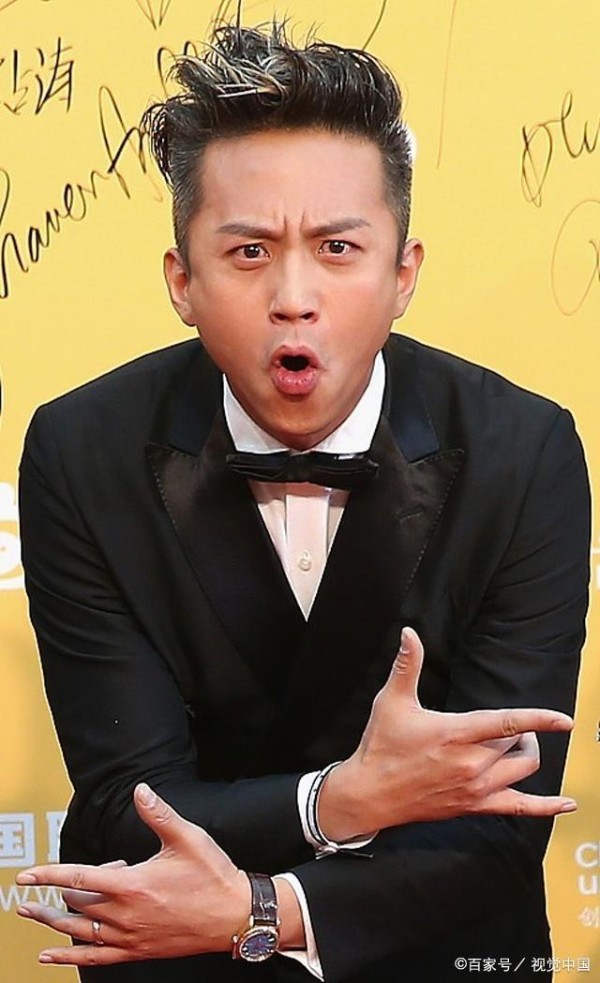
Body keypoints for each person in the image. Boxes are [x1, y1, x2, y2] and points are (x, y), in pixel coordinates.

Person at [16, 19, 590, 983]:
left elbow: (500, 823)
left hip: (438, 957)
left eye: (338, 248)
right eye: (248, 251)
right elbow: (127, 805)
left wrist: (260, 910)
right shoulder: (82, 449)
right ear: (182, 281)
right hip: (171, 963)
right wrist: (341, 801)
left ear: (402, 275)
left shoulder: (523, 450)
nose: (294, 295)